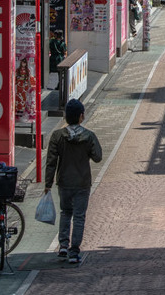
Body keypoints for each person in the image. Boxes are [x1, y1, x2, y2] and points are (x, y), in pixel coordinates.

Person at [44, 99, 103, 264]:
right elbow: (98, 157)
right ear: (81, 116)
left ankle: (63, 246)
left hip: (63, 181)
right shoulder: (89, 136)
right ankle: (74, 251)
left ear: (66, 116)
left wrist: (48, 183)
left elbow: (51, 162)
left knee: (65, 212)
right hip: (82, 182)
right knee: (79, 216)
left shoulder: (57, 136)